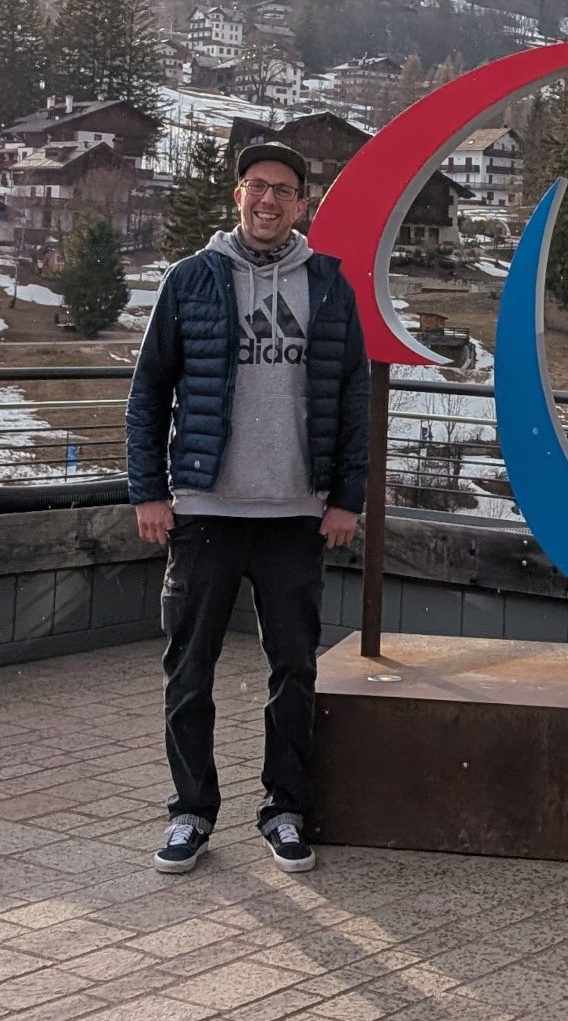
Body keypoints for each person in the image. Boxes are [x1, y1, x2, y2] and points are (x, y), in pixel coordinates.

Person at [127, 141, 369, 875]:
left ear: (303, 204)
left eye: (284, 191)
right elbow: (148, 395)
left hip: (296, 512)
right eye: (256, 187)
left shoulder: (328, 285)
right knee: (188, 667)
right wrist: (149, 491)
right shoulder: (191, 280)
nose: (269, 201)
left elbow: (354, 399)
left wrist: (346, 499)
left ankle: (285, 808)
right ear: (238, 196)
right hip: (204, 509)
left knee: (293, 668)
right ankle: (191, 813)